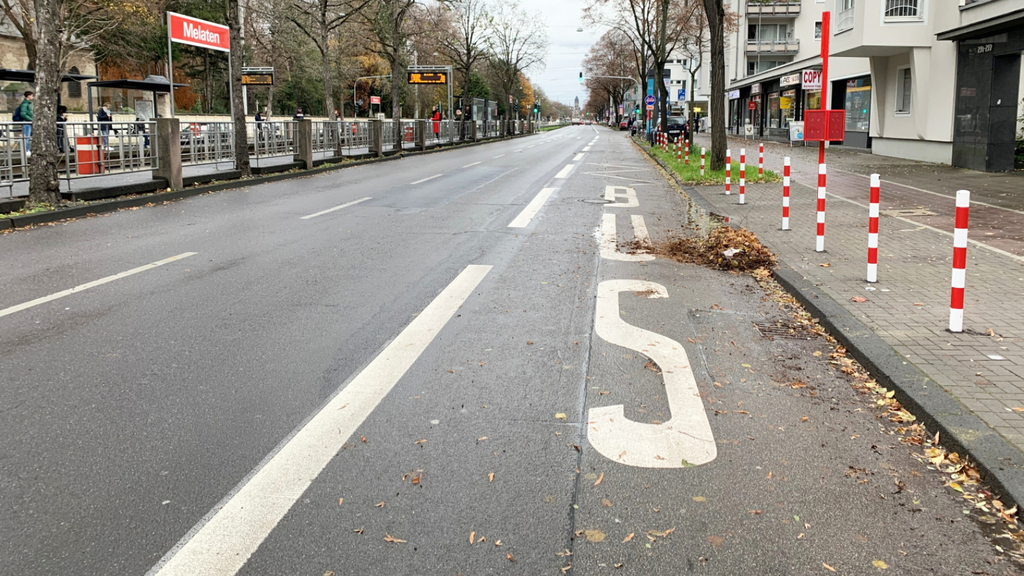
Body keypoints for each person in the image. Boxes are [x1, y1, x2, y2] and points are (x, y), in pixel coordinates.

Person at [16, 91, 33, 156]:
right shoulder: (25, 104)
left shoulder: (27, 104)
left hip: (27, 122)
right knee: (26, 137)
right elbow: (23, 114)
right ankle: (27, 150)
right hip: (26, 123)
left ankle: (27, 150)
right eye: (32, 95)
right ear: (28, 96)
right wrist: (31, 120)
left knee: (27, 137)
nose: (32, 97)